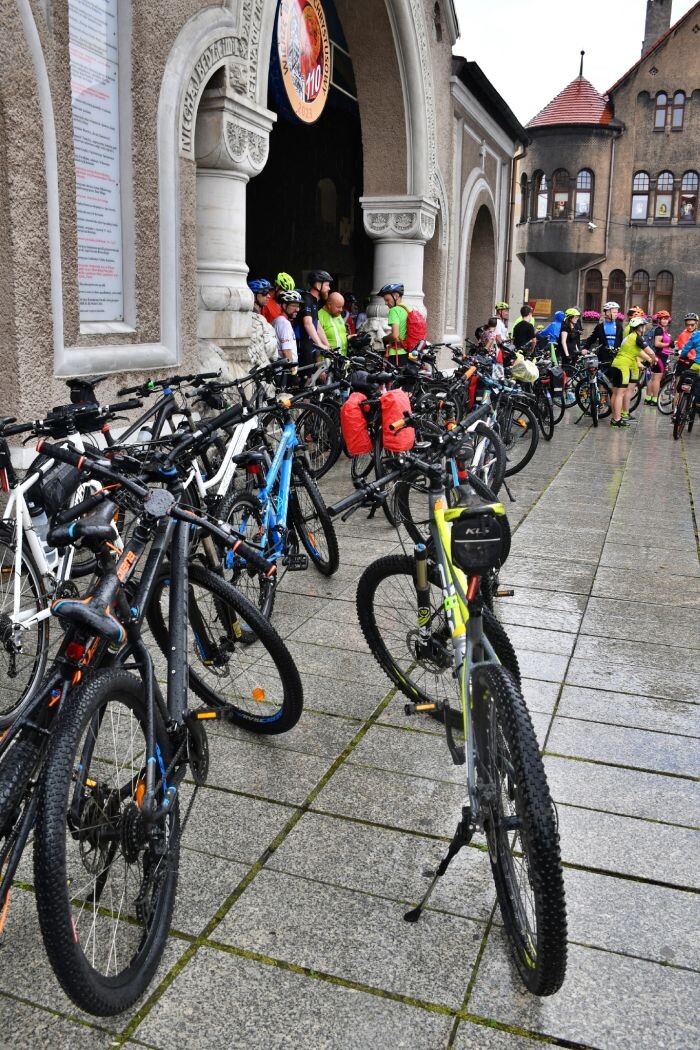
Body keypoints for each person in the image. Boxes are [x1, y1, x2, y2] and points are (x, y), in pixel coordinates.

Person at [609, 316, 656, 427]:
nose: (645, 328)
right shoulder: (637, 338)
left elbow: (638, 352)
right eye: (644, 326)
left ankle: (615, 418)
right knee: (620, 394)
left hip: (617, 364)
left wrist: (649, 359)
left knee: (615, 393)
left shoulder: (630, 337)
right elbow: (650, 352)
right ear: (640, 327)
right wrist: (653, 360)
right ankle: (617, 419)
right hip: (623, 366)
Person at [298, 269, 332, 368]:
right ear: (318, 285)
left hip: (310, 347)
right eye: (327, 285)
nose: (329, 288)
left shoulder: (314, 301)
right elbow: (308, 323)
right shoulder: (306, 298)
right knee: (307, 376)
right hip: (303, 348)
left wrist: (327, 345)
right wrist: (320, 344)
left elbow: (316, 324)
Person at [645, 310, 674, 405]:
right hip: (660, 356)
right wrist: (669, 344)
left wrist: (670, 348)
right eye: (663, 319)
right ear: (659, 320)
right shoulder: (659, 330)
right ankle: (654, 399)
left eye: (666, 319)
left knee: (652, 378)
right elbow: (657, 344)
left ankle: (648, 398)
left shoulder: (662, 330)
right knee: (657, 379)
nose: (665, 321)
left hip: (660, 355)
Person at [380, 282, 412, 363]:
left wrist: (384, 339)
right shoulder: (408, 308)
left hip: (397, 354)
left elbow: (395, 335)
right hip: (409, 352)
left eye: (387, 300)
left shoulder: (394, 310)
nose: (386, 303)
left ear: (396, 296)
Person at [271, 289, 303, 364]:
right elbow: (286, 351)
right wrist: (292, 369)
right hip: (286, 369)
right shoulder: (284, 323)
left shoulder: (278, 320)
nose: (297, 309)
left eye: (298, 306)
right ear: (284, 305)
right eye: (294, 306)